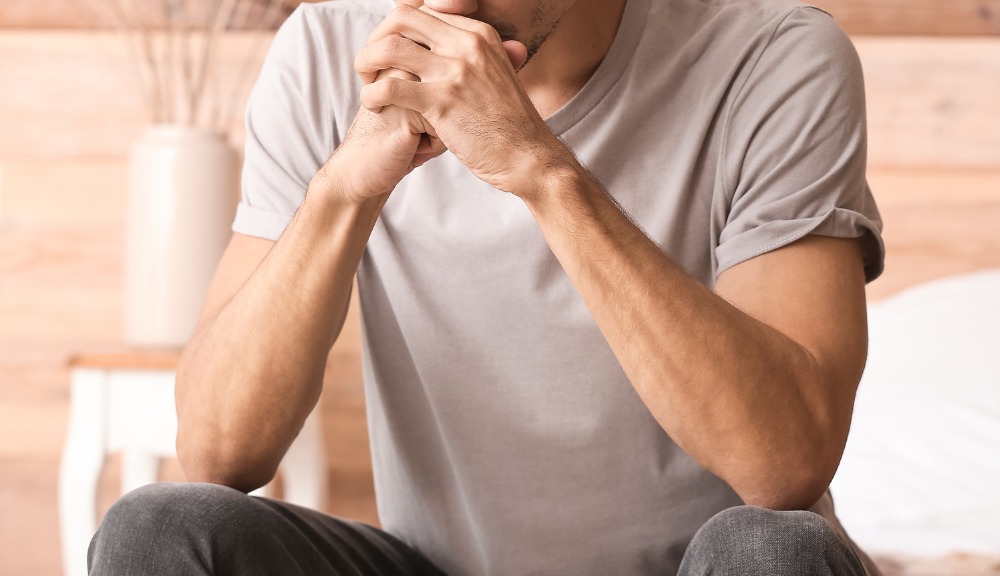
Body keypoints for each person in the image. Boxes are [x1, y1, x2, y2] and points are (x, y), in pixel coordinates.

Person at [88, 0, 887, 573]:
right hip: (433, 564)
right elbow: (217, 452)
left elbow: (786, 465)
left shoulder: (774, 55)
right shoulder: (323, 49)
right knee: (161, 527)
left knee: (773, 550)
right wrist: (342, 191)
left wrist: (539, 169)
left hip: (701, 567)